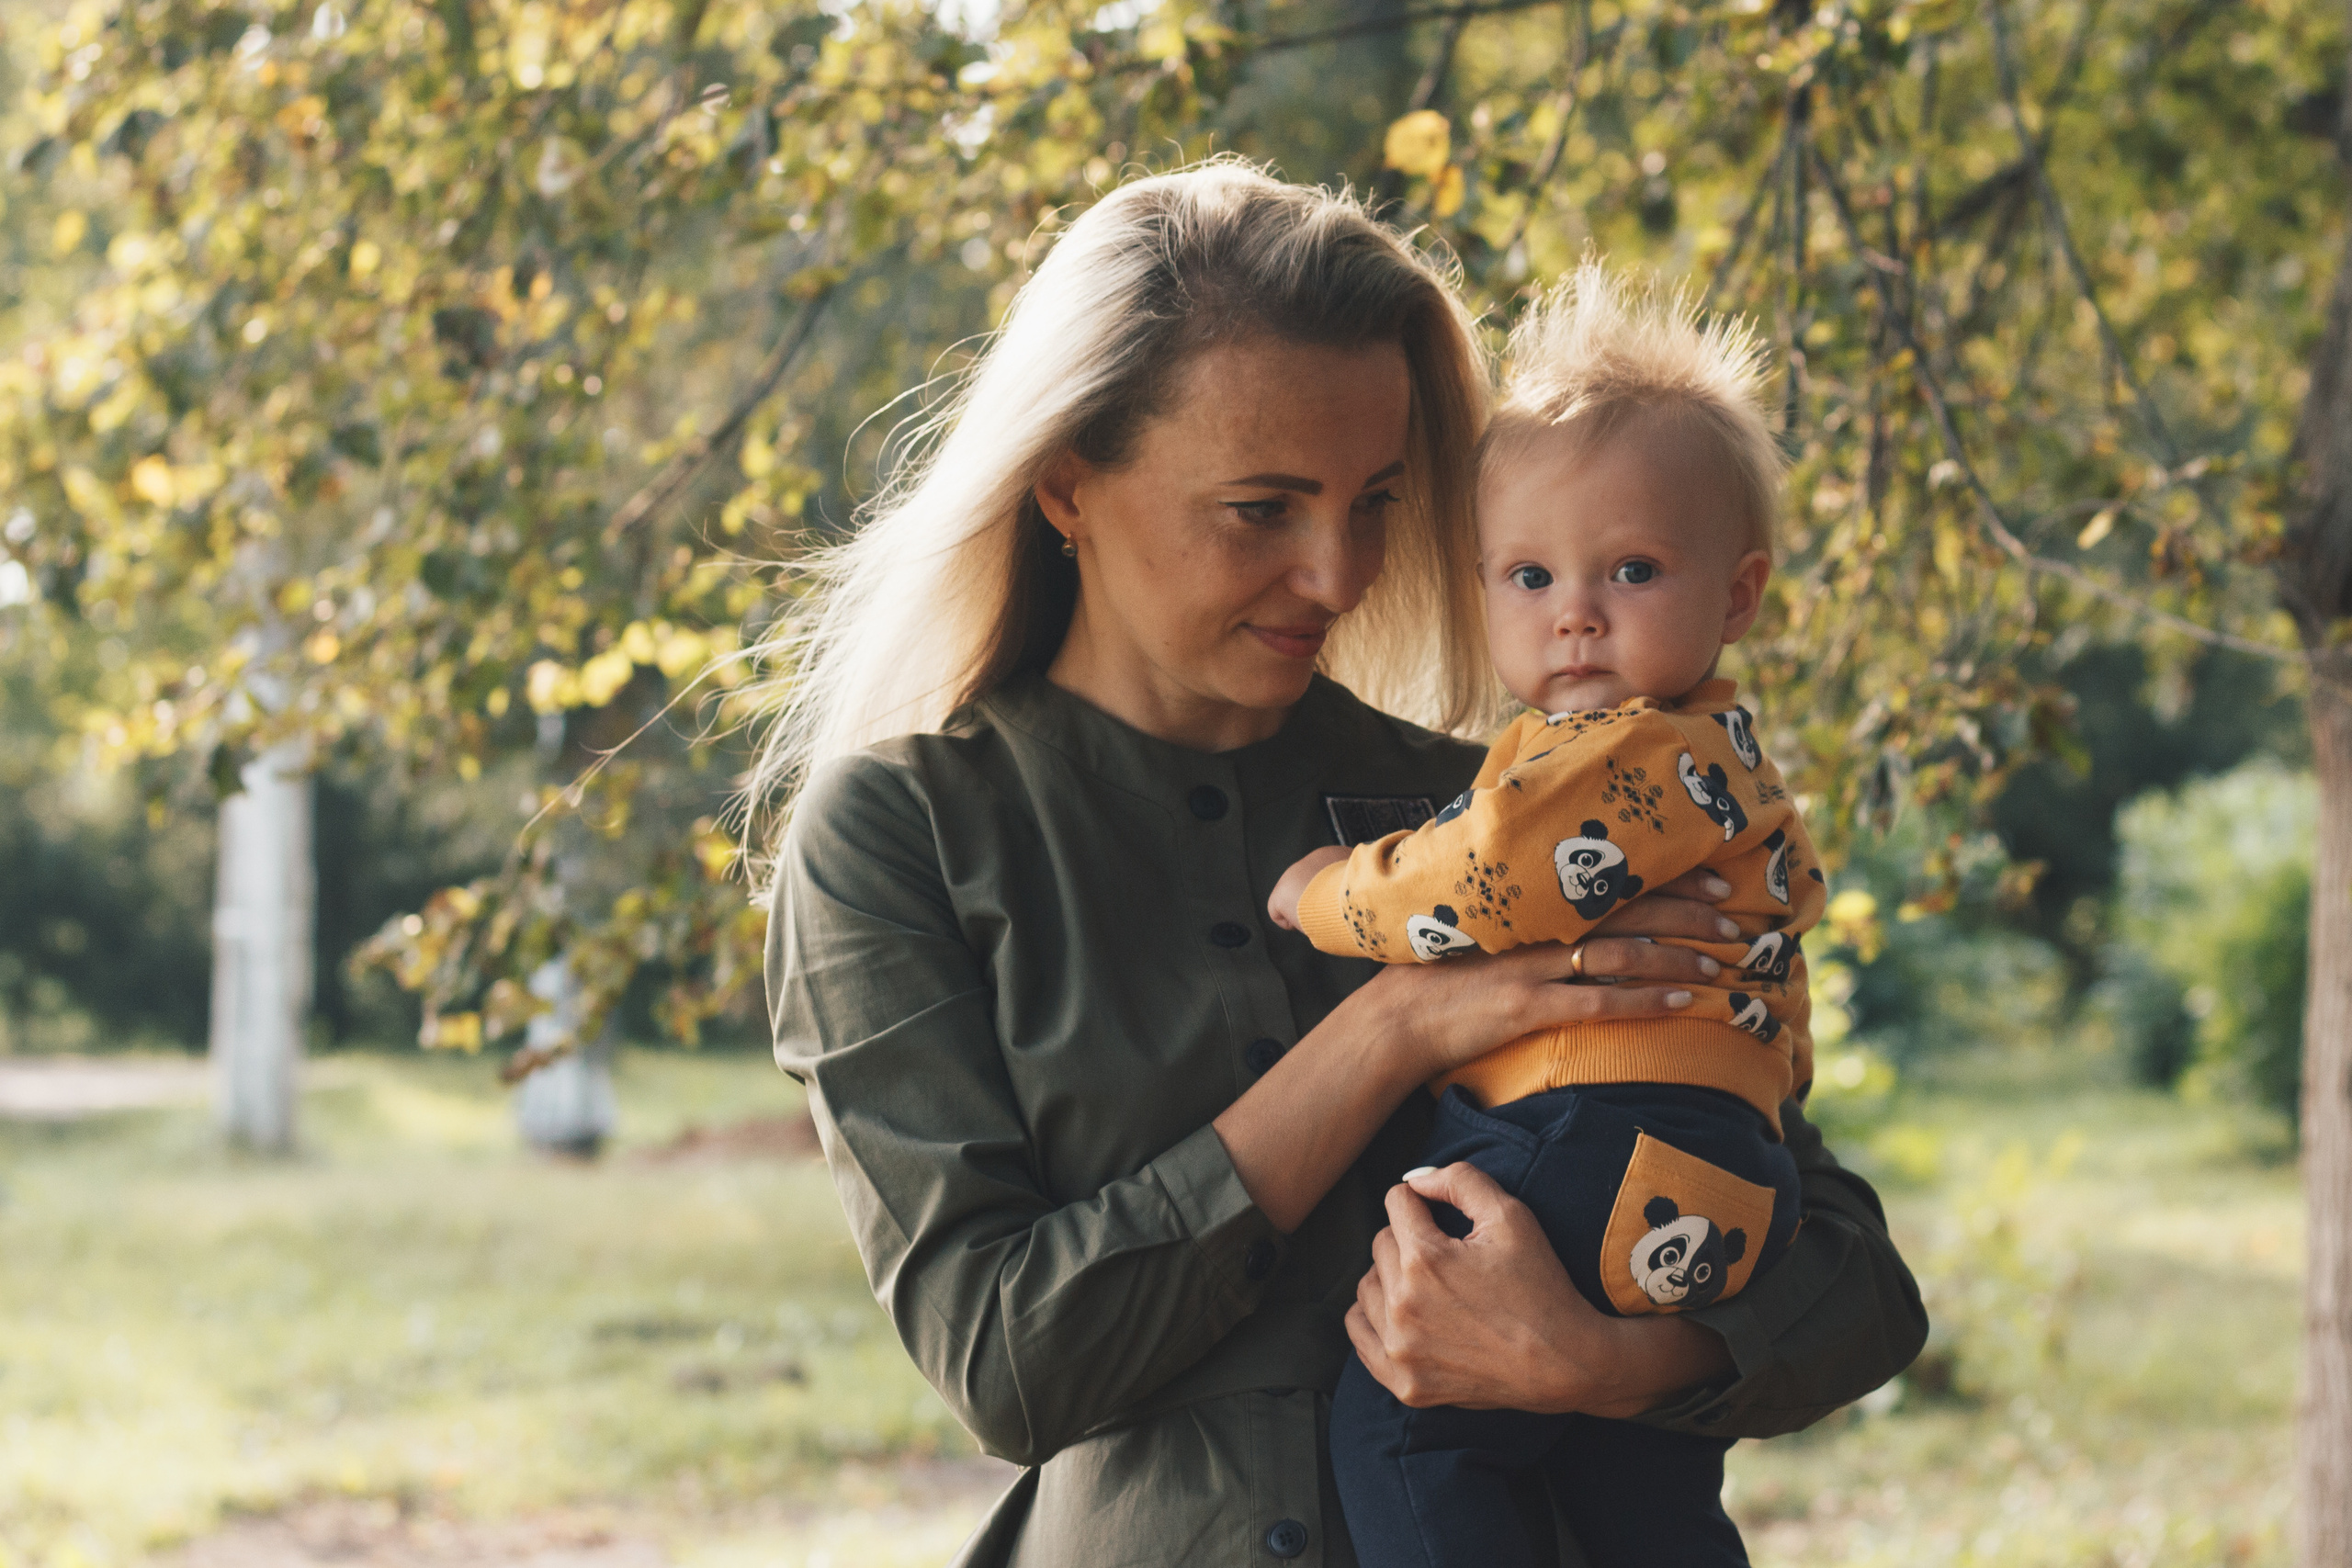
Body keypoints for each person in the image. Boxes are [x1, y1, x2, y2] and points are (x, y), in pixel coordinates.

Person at [763, 162, 1926, 1568]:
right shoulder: (902, 840)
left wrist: (1603, 1367)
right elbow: (1009, 1362)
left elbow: (1850, 1278)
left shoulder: (1495, 817)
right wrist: (1393, 1028)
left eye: (1376, 500)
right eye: (1262, 509)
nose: (1340, 573)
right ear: (1067, 484)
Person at [1266, 260, 1820, 1568]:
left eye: (1630, 569)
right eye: (1526, 576)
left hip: (1589, 1136)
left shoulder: (1615, 755)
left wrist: (1325, 894)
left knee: (1412, 1434)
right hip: (1732, 1164)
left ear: (1735, 596)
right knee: (1643, 1485)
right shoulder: (1739, 772)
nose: (1573, 611)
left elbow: (1480, 883)